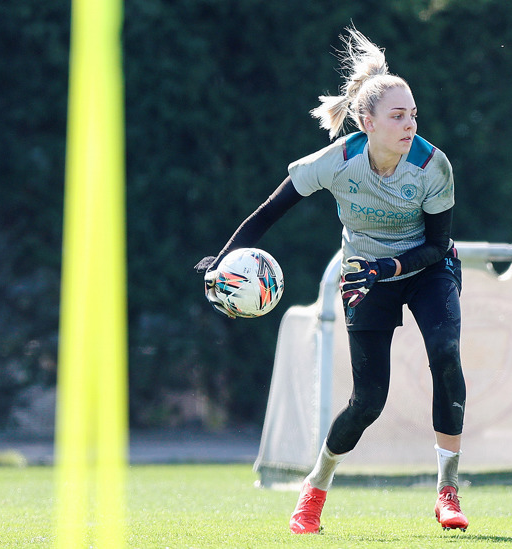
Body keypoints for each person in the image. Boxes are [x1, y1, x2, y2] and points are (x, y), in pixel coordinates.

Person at [195, 27, 468, 534]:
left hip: (426, 270)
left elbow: (437, 245)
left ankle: (447, 490)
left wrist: (390, 267)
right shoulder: (336, 162)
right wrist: (222, 262)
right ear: (366, 122)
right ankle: (314, 489)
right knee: (368, 401)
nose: (410, 124)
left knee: (446, 353)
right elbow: (265, 216)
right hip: (364, 275)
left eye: (413, 114)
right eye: (397, 115)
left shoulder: (433, 166)